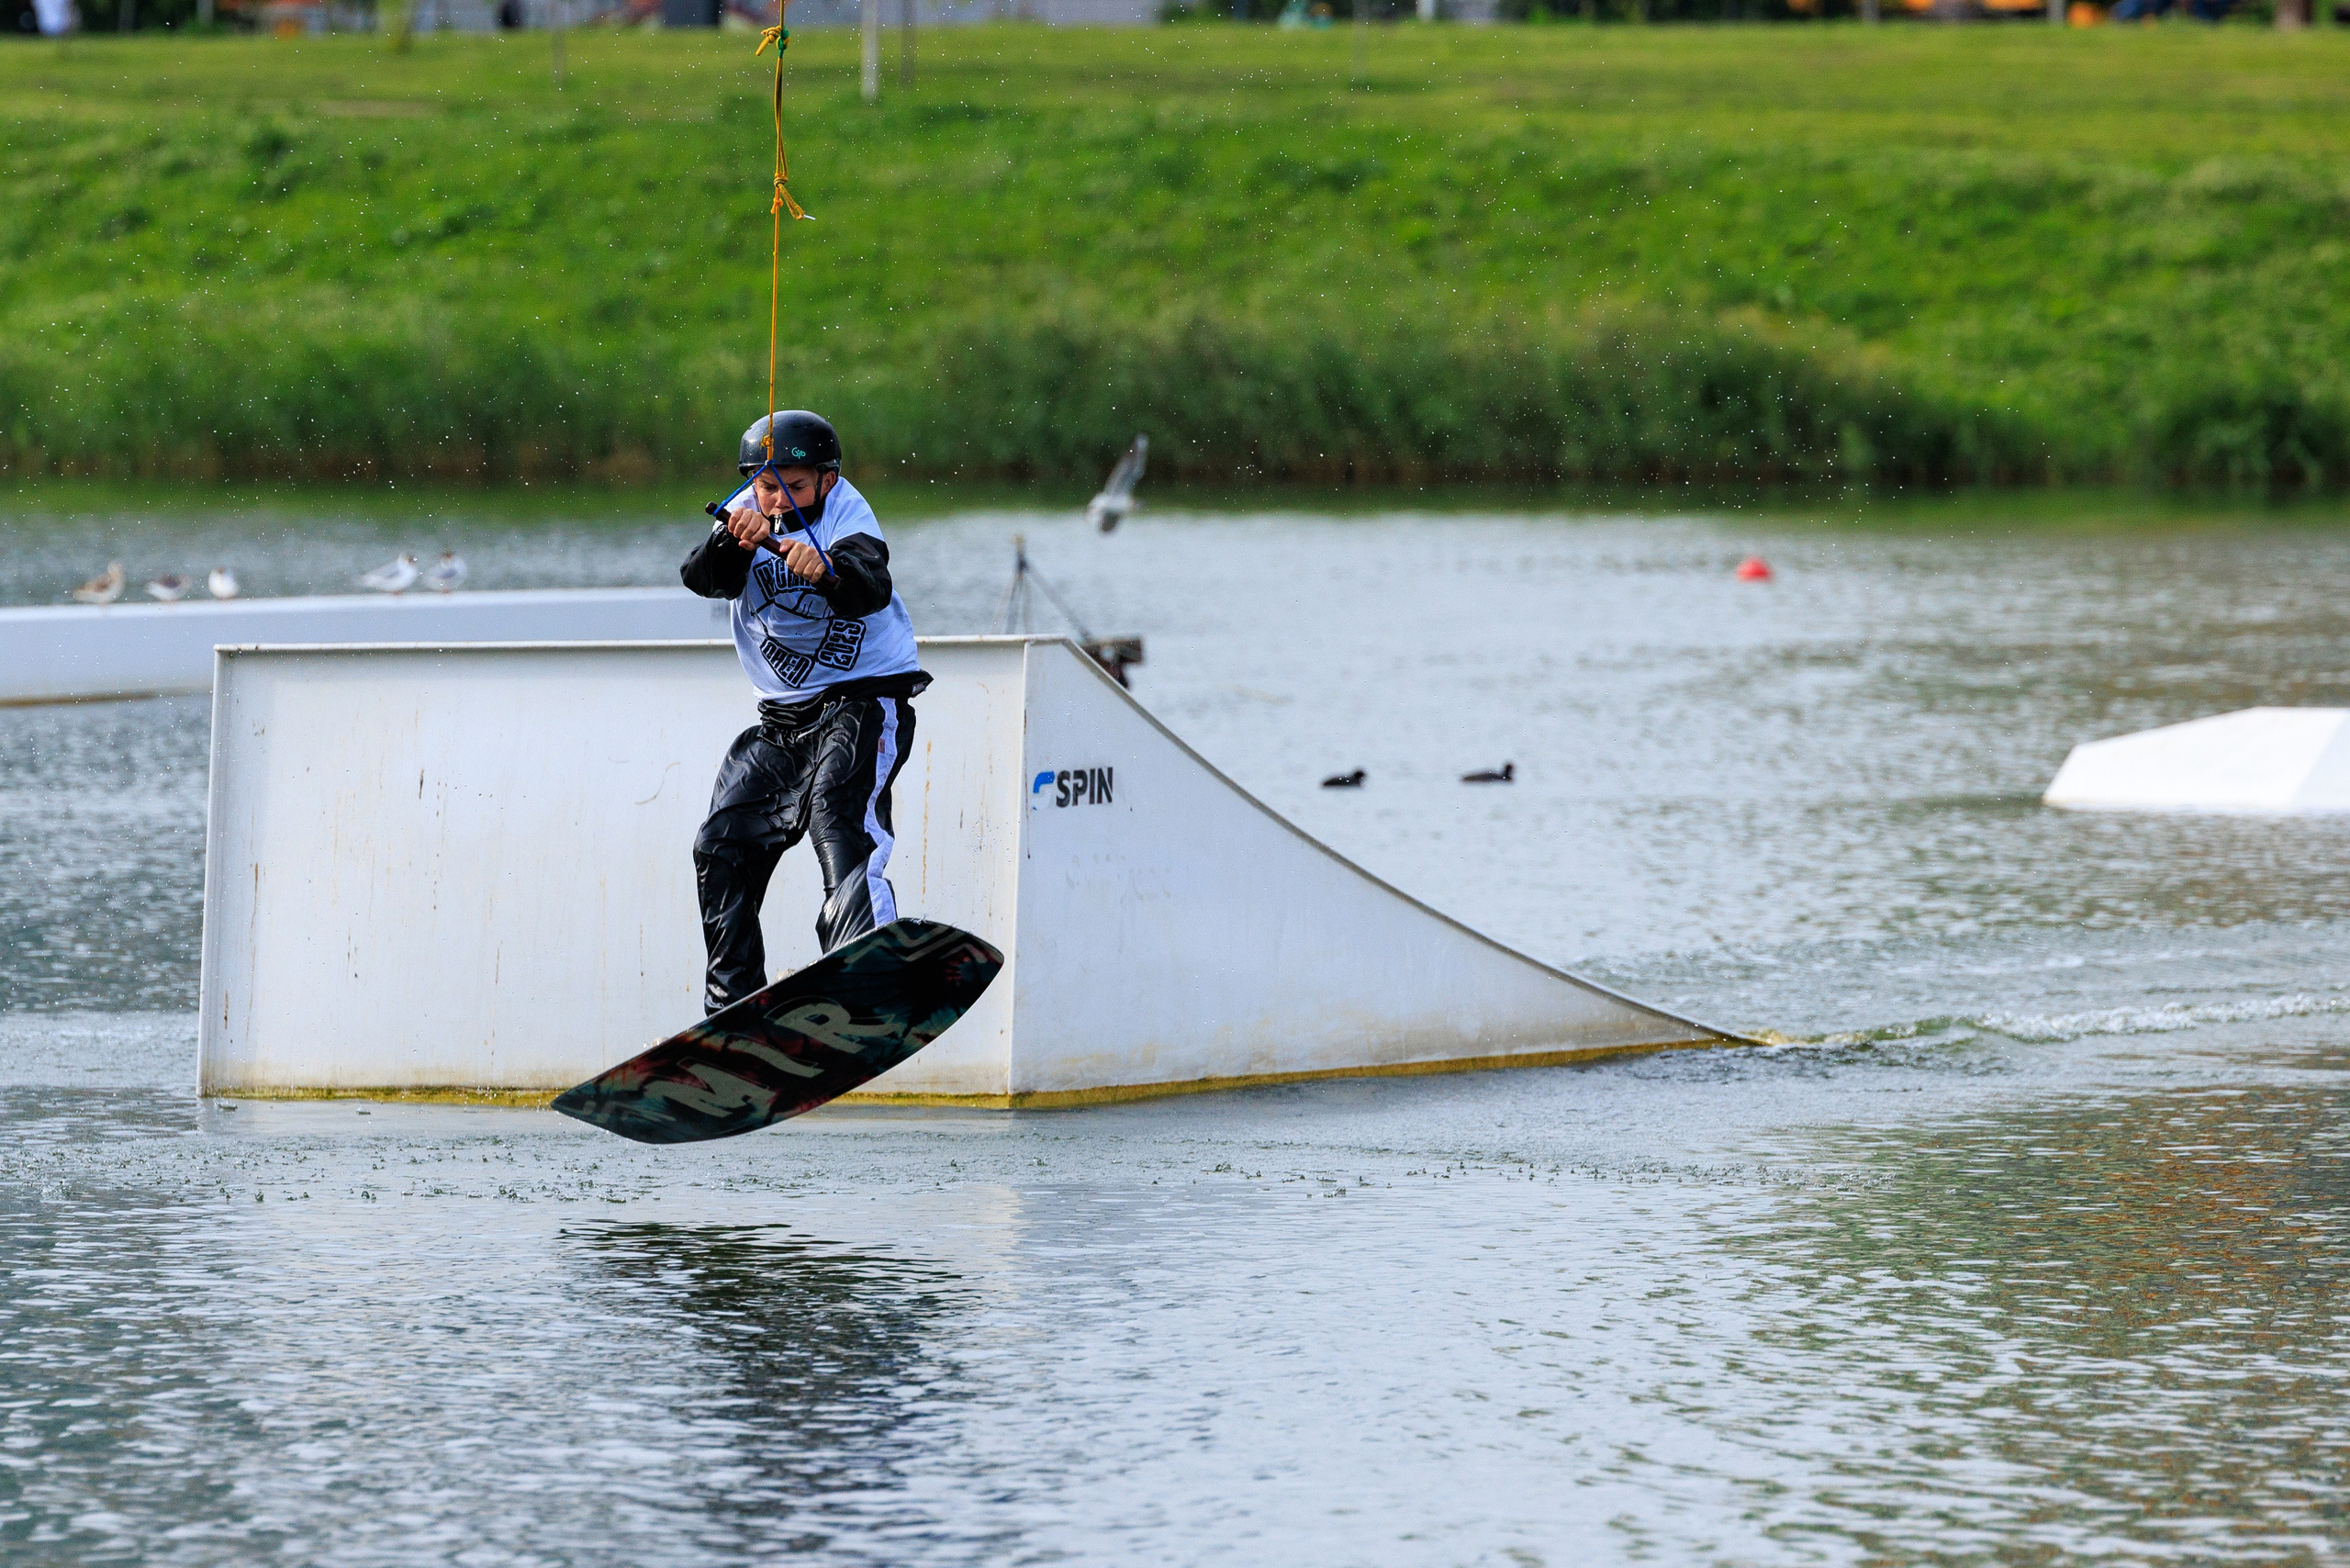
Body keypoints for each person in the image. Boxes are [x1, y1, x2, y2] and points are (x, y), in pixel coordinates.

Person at [680, 409, 928, 1014]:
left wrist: (829, 573)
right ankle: (731, 1007)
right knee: (720, 843)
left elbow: (870, 586)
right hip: (782, 722)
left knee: (835, 814)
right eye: (768, 486)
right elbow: (703, 581)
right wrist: (727, 542)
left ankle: (865, 958)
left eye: (796, 486)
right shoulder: (747, 510)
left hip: (863, 700)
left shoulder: (849, 514)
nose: (781, 499)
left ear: (827, 480)